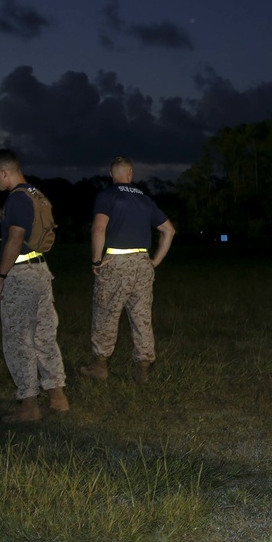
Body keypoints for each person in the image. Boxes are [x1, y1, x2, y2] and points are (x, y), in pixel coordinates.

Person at [0, 149, 69, 422]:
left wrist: (1, 276)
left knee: (19, 339)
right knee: (45, 335)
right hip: (40, 271)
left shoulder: (18, 198)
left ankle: (29, 406)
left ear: (5, 171)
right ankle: (58, 398)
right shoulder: (34, 193)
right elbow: (22, 229)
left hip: (21, 275)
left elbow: (15, 239)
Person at [79, 156, 175, 384]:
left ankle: (100, 366)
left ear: (112, 175)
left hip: (116, 263)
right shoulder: (145, 199)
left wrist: (96, 259)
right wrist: (154, 261)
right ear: (131, 174)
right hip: (142, 263)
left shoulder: (108, 195)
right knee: (142, 317)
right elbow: (169, 231)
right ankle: (143, 370)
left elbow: (99, 227)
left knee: (106, 313)